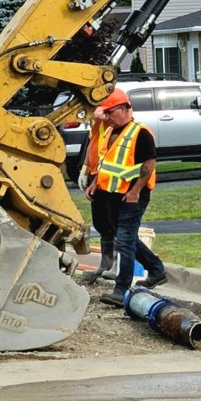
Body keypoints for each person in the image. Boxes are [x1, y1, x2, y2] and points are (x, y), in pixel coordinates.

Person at [83, 87, 166, 307]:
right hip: (113, 193)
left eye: (110, 113)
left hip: (133, 195)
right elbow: (104, 163)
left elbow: (149, 165)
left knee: (126, 240)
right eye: (106, 113)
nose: (107, 118)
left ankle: (121, 290)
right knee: (125, 237)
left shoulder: (141, 132)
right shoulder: (111, 131)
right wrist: (94, 184)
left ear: (124, 108)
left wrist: (135, 191)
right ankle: (157, 269)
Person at [77, 106, 116, 284]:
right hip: (96, 172)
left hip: (108, 175)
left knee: (112, 220)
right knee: (100, 221)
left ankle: (115, 265)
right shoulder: (97, 122)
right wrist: (85, 168)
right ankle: (106, 264)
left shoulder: (109, 110)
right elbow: (93, 143)